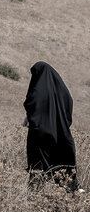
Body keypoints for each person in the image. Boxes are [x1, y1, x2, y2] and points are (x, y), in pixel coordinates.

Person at [24, 61, 80, 191]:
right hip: (60, 131)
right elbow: (68, 103)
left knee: (38, 167)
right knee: (61, 162)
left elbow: (31, 103)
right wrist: (63, 123)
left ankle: (36, 192)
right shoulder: (61, 88)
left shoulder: (38, 89)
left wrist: (34, 121)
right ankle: (66, 190)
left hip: (40, 134)